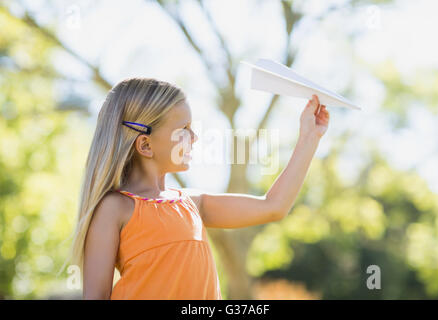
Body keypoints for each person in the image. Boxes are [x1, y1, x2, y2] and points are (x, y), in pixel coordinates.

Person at [67, 77, 329, 299]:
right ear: (145, 145)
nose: (194, 137)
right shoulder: (114, 208)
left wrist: (309, 137)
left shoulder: (193, 204)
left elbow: (274, 206)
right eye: (184, 129)